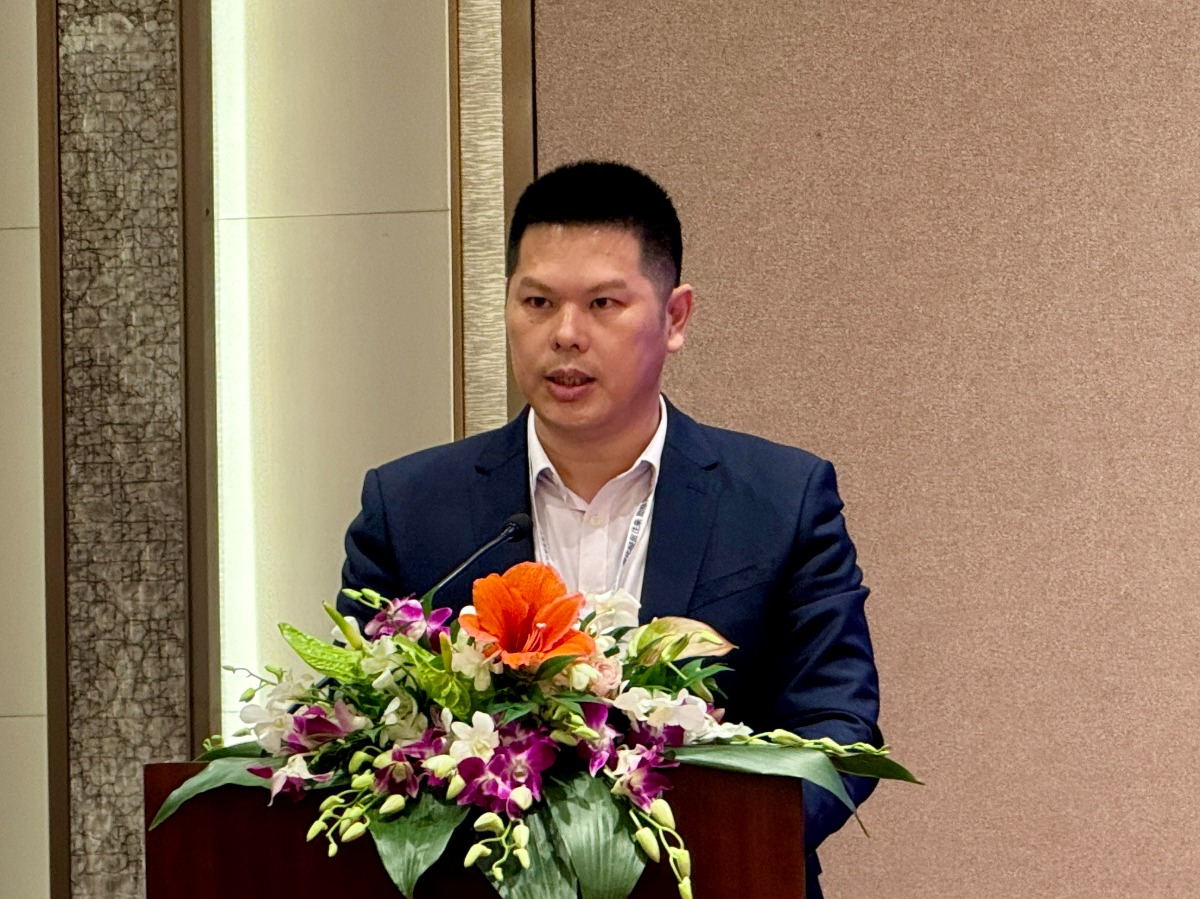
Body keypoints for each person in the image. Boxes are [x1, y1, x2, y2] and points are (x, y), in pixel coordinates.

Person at [338, 160, 881, 897]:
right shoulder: (408, 507)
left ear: (675, 317)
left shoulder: (781, 499)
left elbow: (837, 726)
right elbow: (361, 723)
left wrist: (713, 840)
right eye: (537, 302)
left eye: (603, 303)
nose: (566, 334)